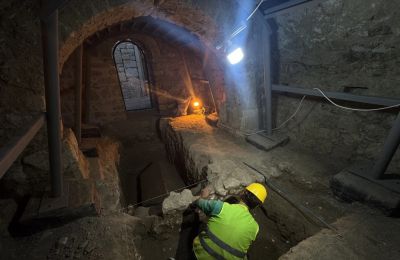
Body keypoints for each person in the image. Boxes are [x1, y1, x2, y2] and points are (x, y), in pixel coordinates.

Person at [192, 183, 268, 260]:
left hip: (200, 255)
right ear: (257, 206)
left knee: (205, 222)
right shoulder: (255, 228)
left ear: (243, 192)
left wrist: (203, 196)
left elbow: (199, 202)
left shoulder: (221, 207)